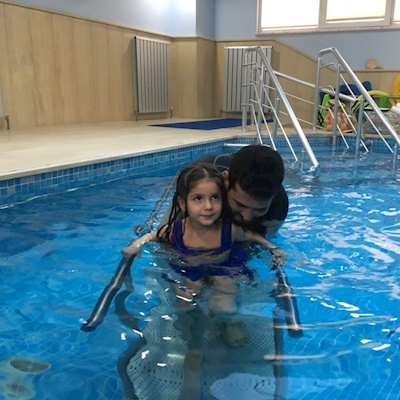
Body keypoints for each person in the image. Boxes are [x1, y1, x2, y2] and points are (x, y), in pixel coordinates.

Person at [122, 163, 285, 319]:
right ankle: (192, 331)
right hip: (188, 270)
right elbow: (153, 235)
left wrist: (273, 247)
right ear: (183, 203)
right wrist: (136, 245)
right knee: (185, 303)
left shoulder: (228, 230)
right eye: (198, 198)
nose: (208, 206)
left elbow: (252, 236)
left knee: (224, 306)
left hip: (224, 269)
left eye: (215, 197)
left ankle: (230, 323)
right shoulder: (177, 230)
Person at [193, 144, 288, 239]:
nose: (246, 217)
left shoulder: (279, 206)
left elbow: (262, 241)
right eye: (240, 204)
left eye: (260, 210)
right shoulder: (200, 180)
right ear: (226, 180)